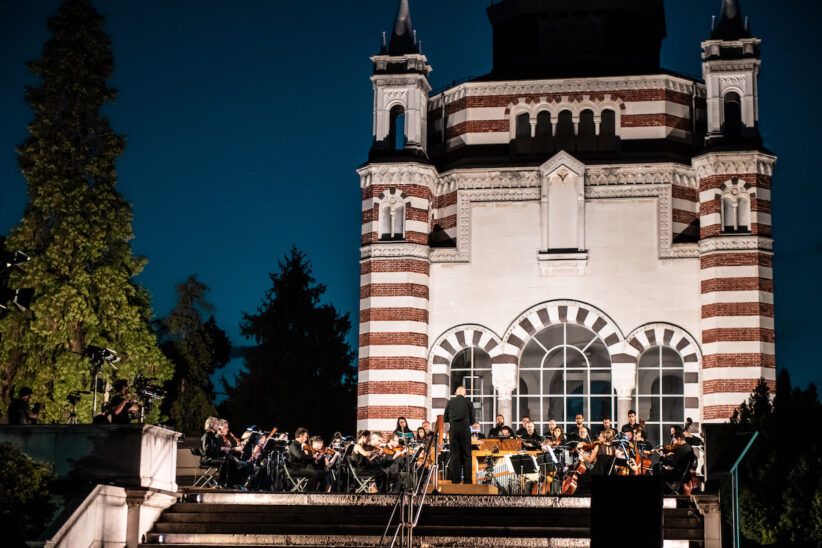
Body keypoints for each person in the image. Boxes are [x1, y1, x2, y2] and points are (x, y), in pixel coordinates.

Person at [444, 386, 475, 484]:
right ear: (465, 394)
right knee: (467, 455)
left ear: (455, 393)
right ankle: (467, 480)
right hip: (465, 430)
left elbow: (445, 419)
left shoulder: (450, 402)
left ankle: (456, 479)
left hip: (453, 430)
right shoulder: (469, 403)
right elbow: (472, 420)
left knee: (455, 455)